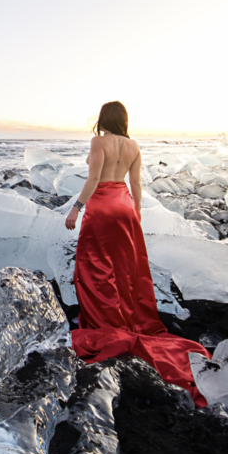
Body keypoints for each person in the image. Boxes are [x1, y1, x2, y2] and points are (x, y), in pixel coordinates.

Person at [64, 101, 211, 407]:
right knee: (125, 268)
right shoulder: (133, 146)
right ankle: (126, 315)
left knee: (92, 265)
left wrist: (76, 209)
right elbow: (136, 183)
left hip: (102, 206)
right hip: (125, 206)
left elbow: (92, 180)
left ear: (103, 119)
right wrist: (137, 213)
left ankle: (102, 319)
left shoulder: (98, 141)